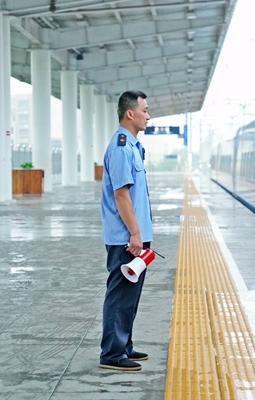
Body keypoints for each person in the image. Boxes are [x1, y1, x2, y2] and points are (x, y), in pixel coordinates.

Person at [99, 90, 153, 371]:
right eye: (144, 110)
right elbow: (121, 195)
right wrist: (134, 234)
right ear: (130, 113)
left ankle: (124, 346)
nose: (148, 115)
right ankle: (111, 354)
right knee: (120, 295)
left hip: (135, 235)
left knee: (129, 297)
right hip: (125, 238)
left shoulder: (132, 146)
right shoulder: (121, 147)